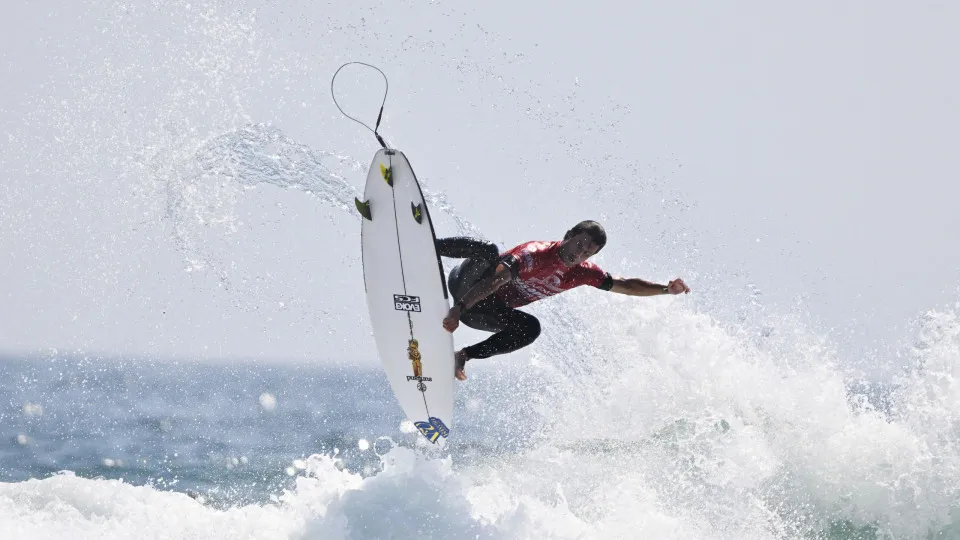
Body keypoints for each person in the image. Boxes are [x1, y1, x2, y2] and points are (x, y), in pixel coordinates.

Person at [436, 220, 690, 381]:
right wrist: (458, 308)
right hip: (466, 285)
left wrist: (665, 290)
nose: (578, 253)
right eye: (578, 244)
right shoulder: (534, 254)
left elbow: (625, 285)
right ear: (568, 235)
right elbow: (494, 280)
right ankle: (430, 246)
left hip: (480, 312)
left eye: (587, 252)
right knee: (489, 250)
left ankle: (464, 356)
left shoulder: (583, 272)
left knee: (530, 328)